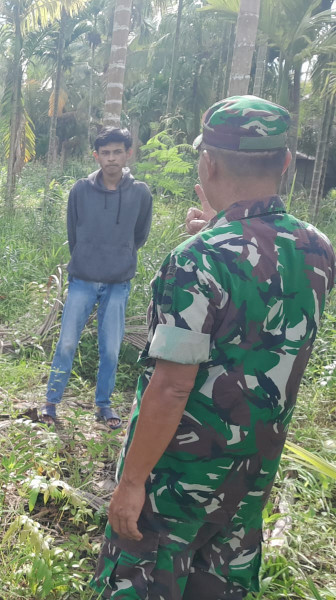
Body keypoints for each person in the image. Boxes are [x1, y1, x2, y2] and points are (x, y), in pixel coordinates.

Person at [92, 95, 335, 599]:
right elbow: (262, 279)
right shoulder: (317, 247)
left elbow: (171, 388)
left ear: (209, 162)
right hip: (249, 479)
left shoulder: (195, 261)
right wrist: (221, 229)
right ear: (286, 164)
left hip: (177, 481)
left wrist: (132, 482)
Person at [41, 127, 153, 429]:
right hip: (83, 279)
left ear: (128, 154)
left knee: (111, 347)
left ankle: (103, 405)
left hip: (118, 282)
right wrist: (88, 258)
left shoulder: (140, 193)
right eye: (105, 153)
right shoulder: (80, 190)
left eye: (118, 151)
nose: (111, 158)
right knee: (66, 343)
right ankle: (51, 403)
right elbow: (72, 232)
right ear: (96, 156)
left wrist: (121, 255)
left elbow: (139, 234)